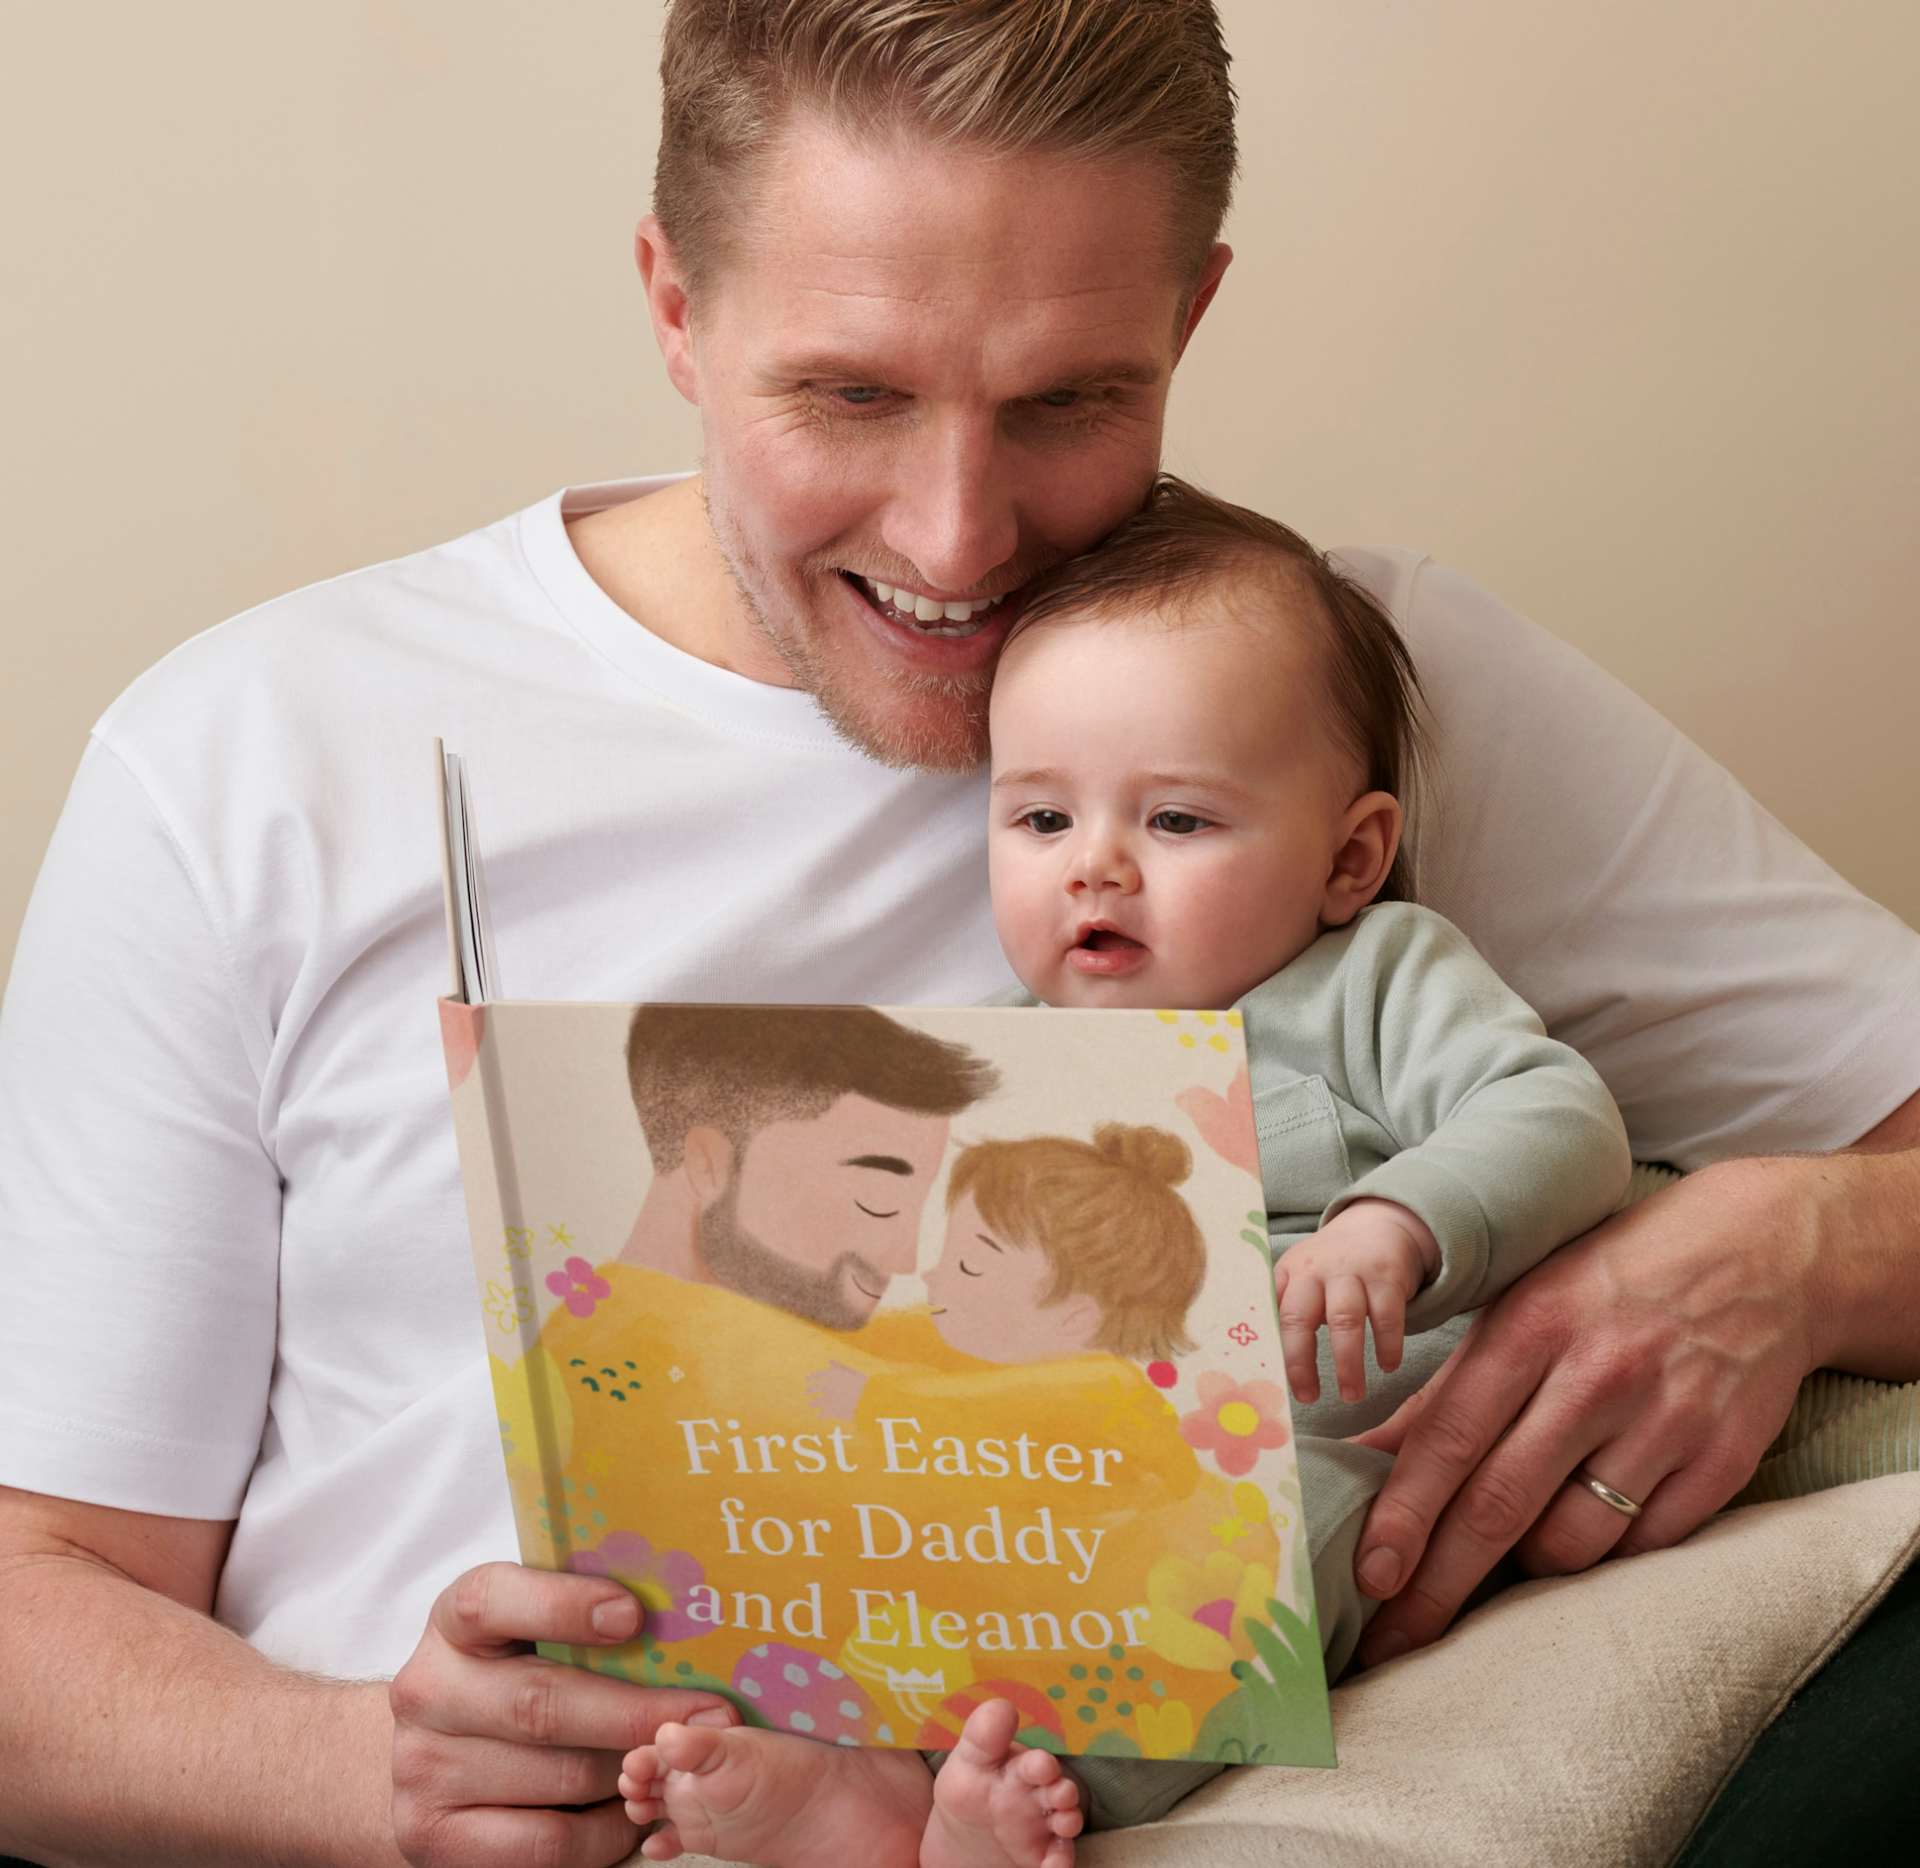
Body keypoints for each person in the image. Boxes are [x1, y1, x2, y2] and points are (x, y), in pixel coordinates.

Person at [0, 3, 1914, 1864]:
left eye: (1069, 402)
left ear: (1190, 317)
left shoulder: (1325, 691)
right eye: (852, 396)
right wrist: (370, 1780)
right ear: (673, 303)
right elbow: (36, 1602)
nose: (958, 539)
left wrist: (1797, 1249)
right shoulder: (256, 756)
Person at [614, 483, 1634, 1865]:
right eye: (1041, 821)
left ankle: (1016, 1787)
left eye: (1177, 823)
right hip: (1079, 1450)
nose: (1095, 869)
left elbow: (1559, 1112)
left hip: (1336, 1443)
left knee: (1256, 1561)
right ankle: (862, 1766)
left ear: (1349, 859)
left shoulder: (1372, 979)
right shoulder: (1005, 1055)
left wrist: (1399, 1220)